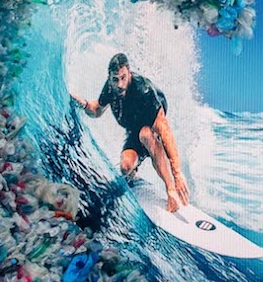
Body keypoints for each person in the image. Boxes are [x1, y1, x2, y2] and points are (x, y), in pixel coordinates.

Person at [73, 54, 189, 212]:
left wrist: (177, 174)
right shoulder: (110, 88)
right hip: (135, 132)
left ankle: (171, 190)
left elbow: (164, 129)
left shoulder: (144, 91)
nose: (120, 84)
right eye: (115, 79)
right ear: (110, 77)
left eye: (123, 78)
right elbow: (98, 110)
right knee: (125, 167)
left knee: (146, 134)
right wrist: (85, 104)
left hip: (150, 129)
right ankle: (134, 173)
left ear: (129, 72)